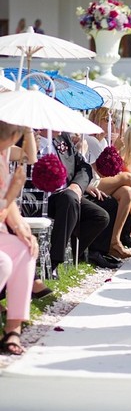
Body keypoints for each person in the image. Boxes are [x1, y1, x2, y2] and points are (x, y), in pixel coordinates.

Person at [38, 130, 119, 271]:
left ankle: (75, 253)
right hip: (38, 196)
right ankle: (53, 263)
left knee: (101, 216)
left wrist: (78, 185)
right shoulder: (27, 139)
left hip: (64, 193)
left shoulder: (62, 139)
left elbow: (83, 166)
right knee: (69, 199)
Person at [0, 121, 39, 355]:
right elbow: (6, 200)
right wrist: (11, 194)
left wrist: (20, 227)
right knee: (3, 262)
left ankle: (13, 328)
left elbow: (29, 156)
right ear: (12, 134)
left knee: (25, 248)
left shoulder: (4, 153)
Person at [85, 108, 131, 257]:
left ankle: (115, 241)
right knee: (128, 178)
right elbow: (99, 170)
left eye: (112, 120)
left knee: (127, 191)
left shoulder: (103, 141)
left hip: (101, 181)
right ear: (97, 120)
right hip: (92, 183)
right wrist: (115, 149)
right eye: (107, 119)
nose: (111, 123)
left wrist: (115, 151)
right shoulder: (89, 140)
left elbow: (111, 169)